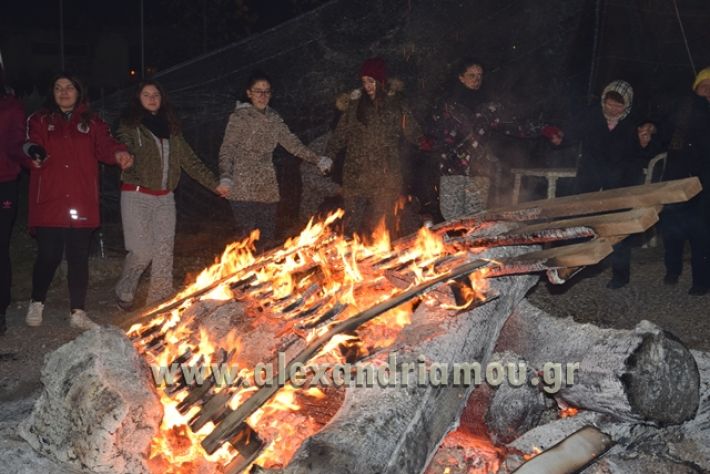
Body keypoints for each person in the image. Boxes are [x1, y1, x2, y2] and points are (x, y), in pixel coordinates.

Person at [22, 73, 133, 329]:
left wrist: (119, 153)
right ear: (52, 92)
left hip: (81, 199)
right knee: (48, 255)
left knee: (78, 256)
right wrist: (34, 154)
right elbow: (29, 143)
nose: (63, 92)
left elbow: (105, 145)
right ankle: (36, 301)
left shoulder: (92, 122)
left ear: (79, 91)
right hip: (49, 198)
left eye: (69, 87)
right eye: (58, 87)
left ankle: (78, 312)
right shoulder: (39, 119)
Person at [114, 80, 229, 310]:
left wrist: (215, 184)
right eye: (146, 94)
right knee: (142, 250)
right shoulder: (129, 126)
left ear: (162, 97)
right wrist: (122, 154)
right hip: (136, 195)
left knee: (164, 250)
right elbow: (120, 144)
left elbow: (191, 161)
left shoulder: (172, 130)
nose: (152, 98)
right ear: (138, 99)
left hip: (165, 198)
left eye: (155, 94)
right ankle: (124, 289)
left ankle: (159, 300)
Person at [428, 58, 563, 220]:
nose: (477, 80)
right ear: (461, 77)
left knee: (475, 218)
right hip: (452, 168)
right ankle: (450, 244)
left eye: (480, 76)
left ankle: (471, 245)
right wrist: (429, 141)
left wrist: (544, 129)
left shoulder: (489, 108)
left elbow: (514, 125)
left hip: (480, 168)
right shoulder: (447, 106)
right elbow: (435, 131)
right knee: (451, 216)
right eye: (472, 75)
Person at [219, 71, 332, 249]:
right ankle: (244, 275)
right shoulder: (239, 118)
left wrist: (317, 159)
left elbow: (292, 143)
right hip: (242, 186)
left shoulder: (274, 118)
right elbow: (227, 149)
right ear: (249, 93)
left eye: (267, 91)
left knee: (267, 241)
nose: (263, 96)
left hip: (267, 186)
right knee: (247, 241)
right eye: (258, 91)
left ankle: (266, 275)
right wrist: (225, 176)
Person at [566, 80, 659, 288]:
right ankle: (580, 267)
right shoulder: (591, 117)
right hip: (589, 179)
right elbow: (571, 135)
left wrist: (644, 143)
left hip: (619, 183)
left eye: (619, 106)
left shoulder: (633, 125)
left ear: (627, 106)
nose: (613, 109)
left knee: (617, 227)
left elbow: (642, 154)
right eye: (609, 103)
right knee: (582, 223)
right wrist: (558, 137)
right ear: (603, 100)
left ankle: (620, 274)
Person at [325, 57, 429, 237]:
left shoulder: (396, 106)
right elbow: (340, 135)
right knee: (352, 222)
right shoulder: (355, 107)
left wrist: (422, 140)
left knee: (383, 223)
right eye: (364, 81)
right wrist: (328, 156)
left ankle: (382, 258)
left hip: (386, 175)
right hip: (356, 174)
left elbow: (410, 128)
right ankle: (346, 257)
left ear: (381, 81)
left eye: (371, 81)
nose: (367, 86)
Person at [660, 67, 710, 295]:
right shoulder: (682, 109)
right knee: (672, 230)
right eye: (704, 84)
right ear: (696, 87)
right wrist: (648, 132)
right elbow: (663, 136)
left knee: (701, 234)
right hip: (676, 179)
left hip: (704, 184)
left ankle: (701, 281)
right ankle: (672, 270)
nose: (708, 89)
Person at [0, 64, 25, 335]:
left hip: (3, 183)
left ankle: (1, 308)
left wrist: (28, 154)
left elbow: (17, 140)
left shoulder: (10, 106)